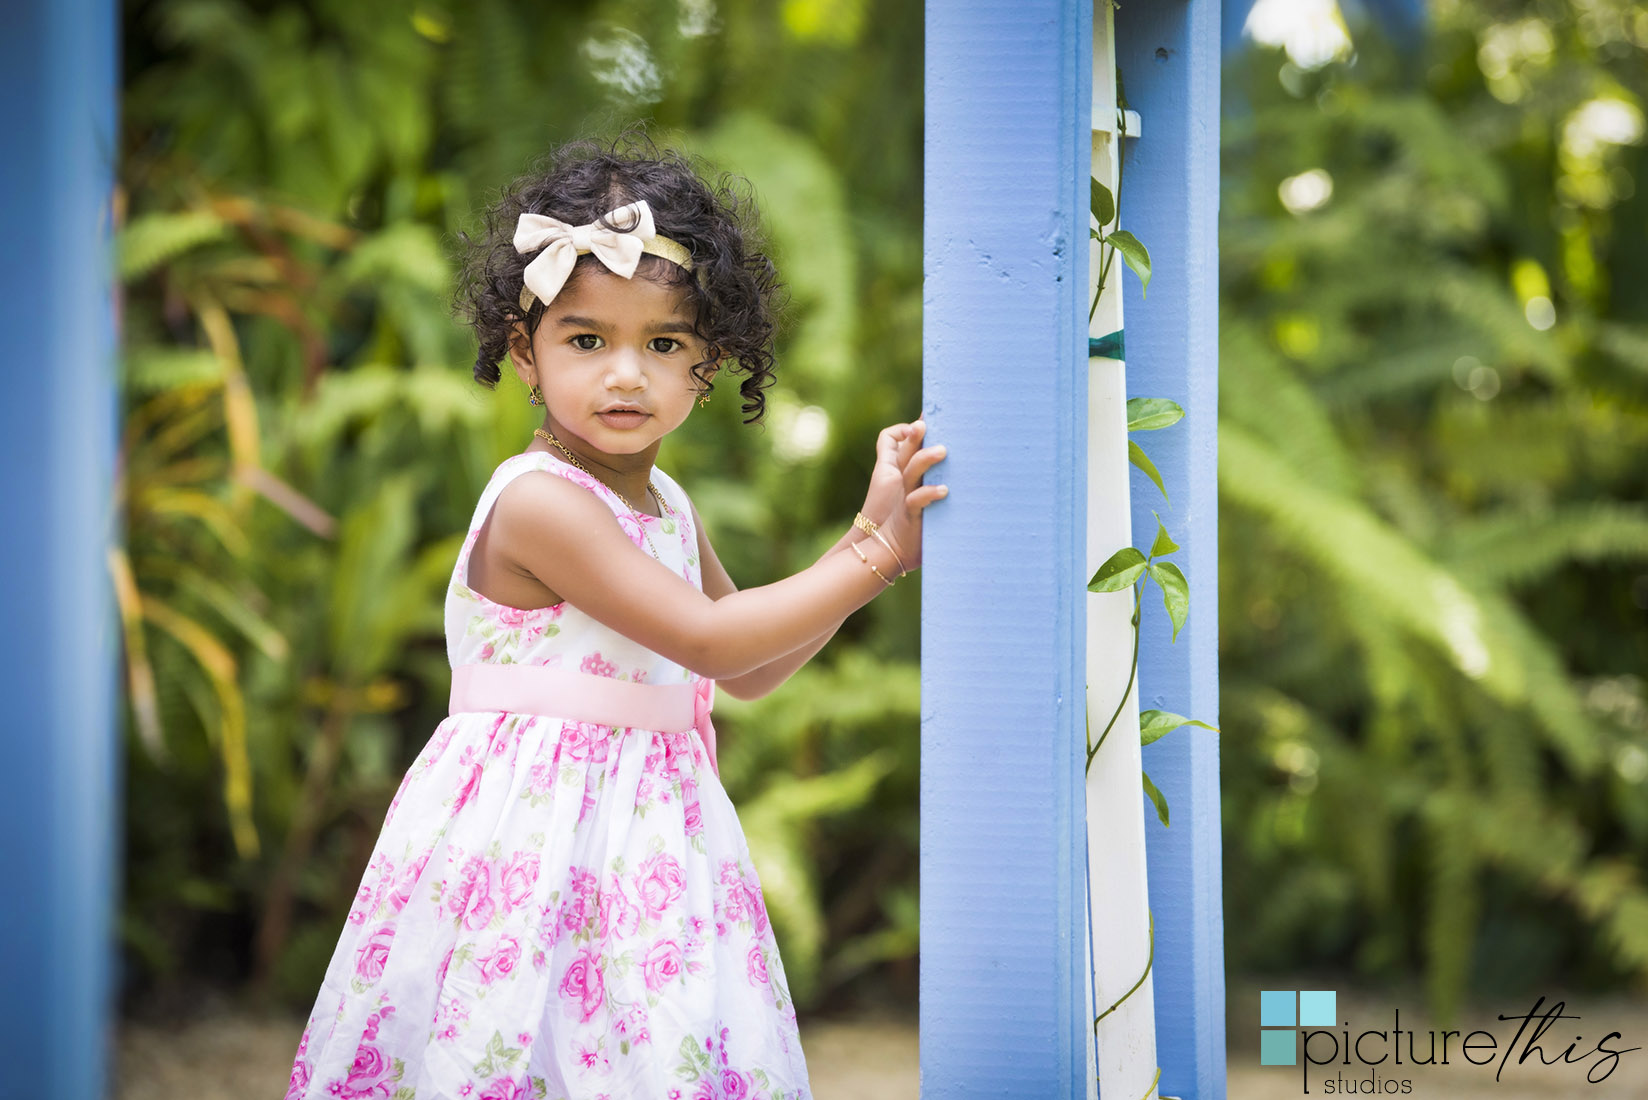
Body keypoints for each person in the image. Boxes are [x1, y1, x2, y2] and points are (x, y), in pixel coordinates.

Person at [284, 133, 947, 1100]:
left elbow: (748, 668)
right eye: (586, 340)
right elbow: (713, 638)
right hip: (527, 846)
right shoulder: (540, 504)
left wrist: (867, 534)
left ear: (708, 363)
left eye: (663, 344)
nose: (625, 374)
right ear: (525, 352)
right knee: (517, 1046)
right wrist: (877, 554)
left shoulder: (667, 507)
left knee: (642, 1055)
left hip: (651, 846)